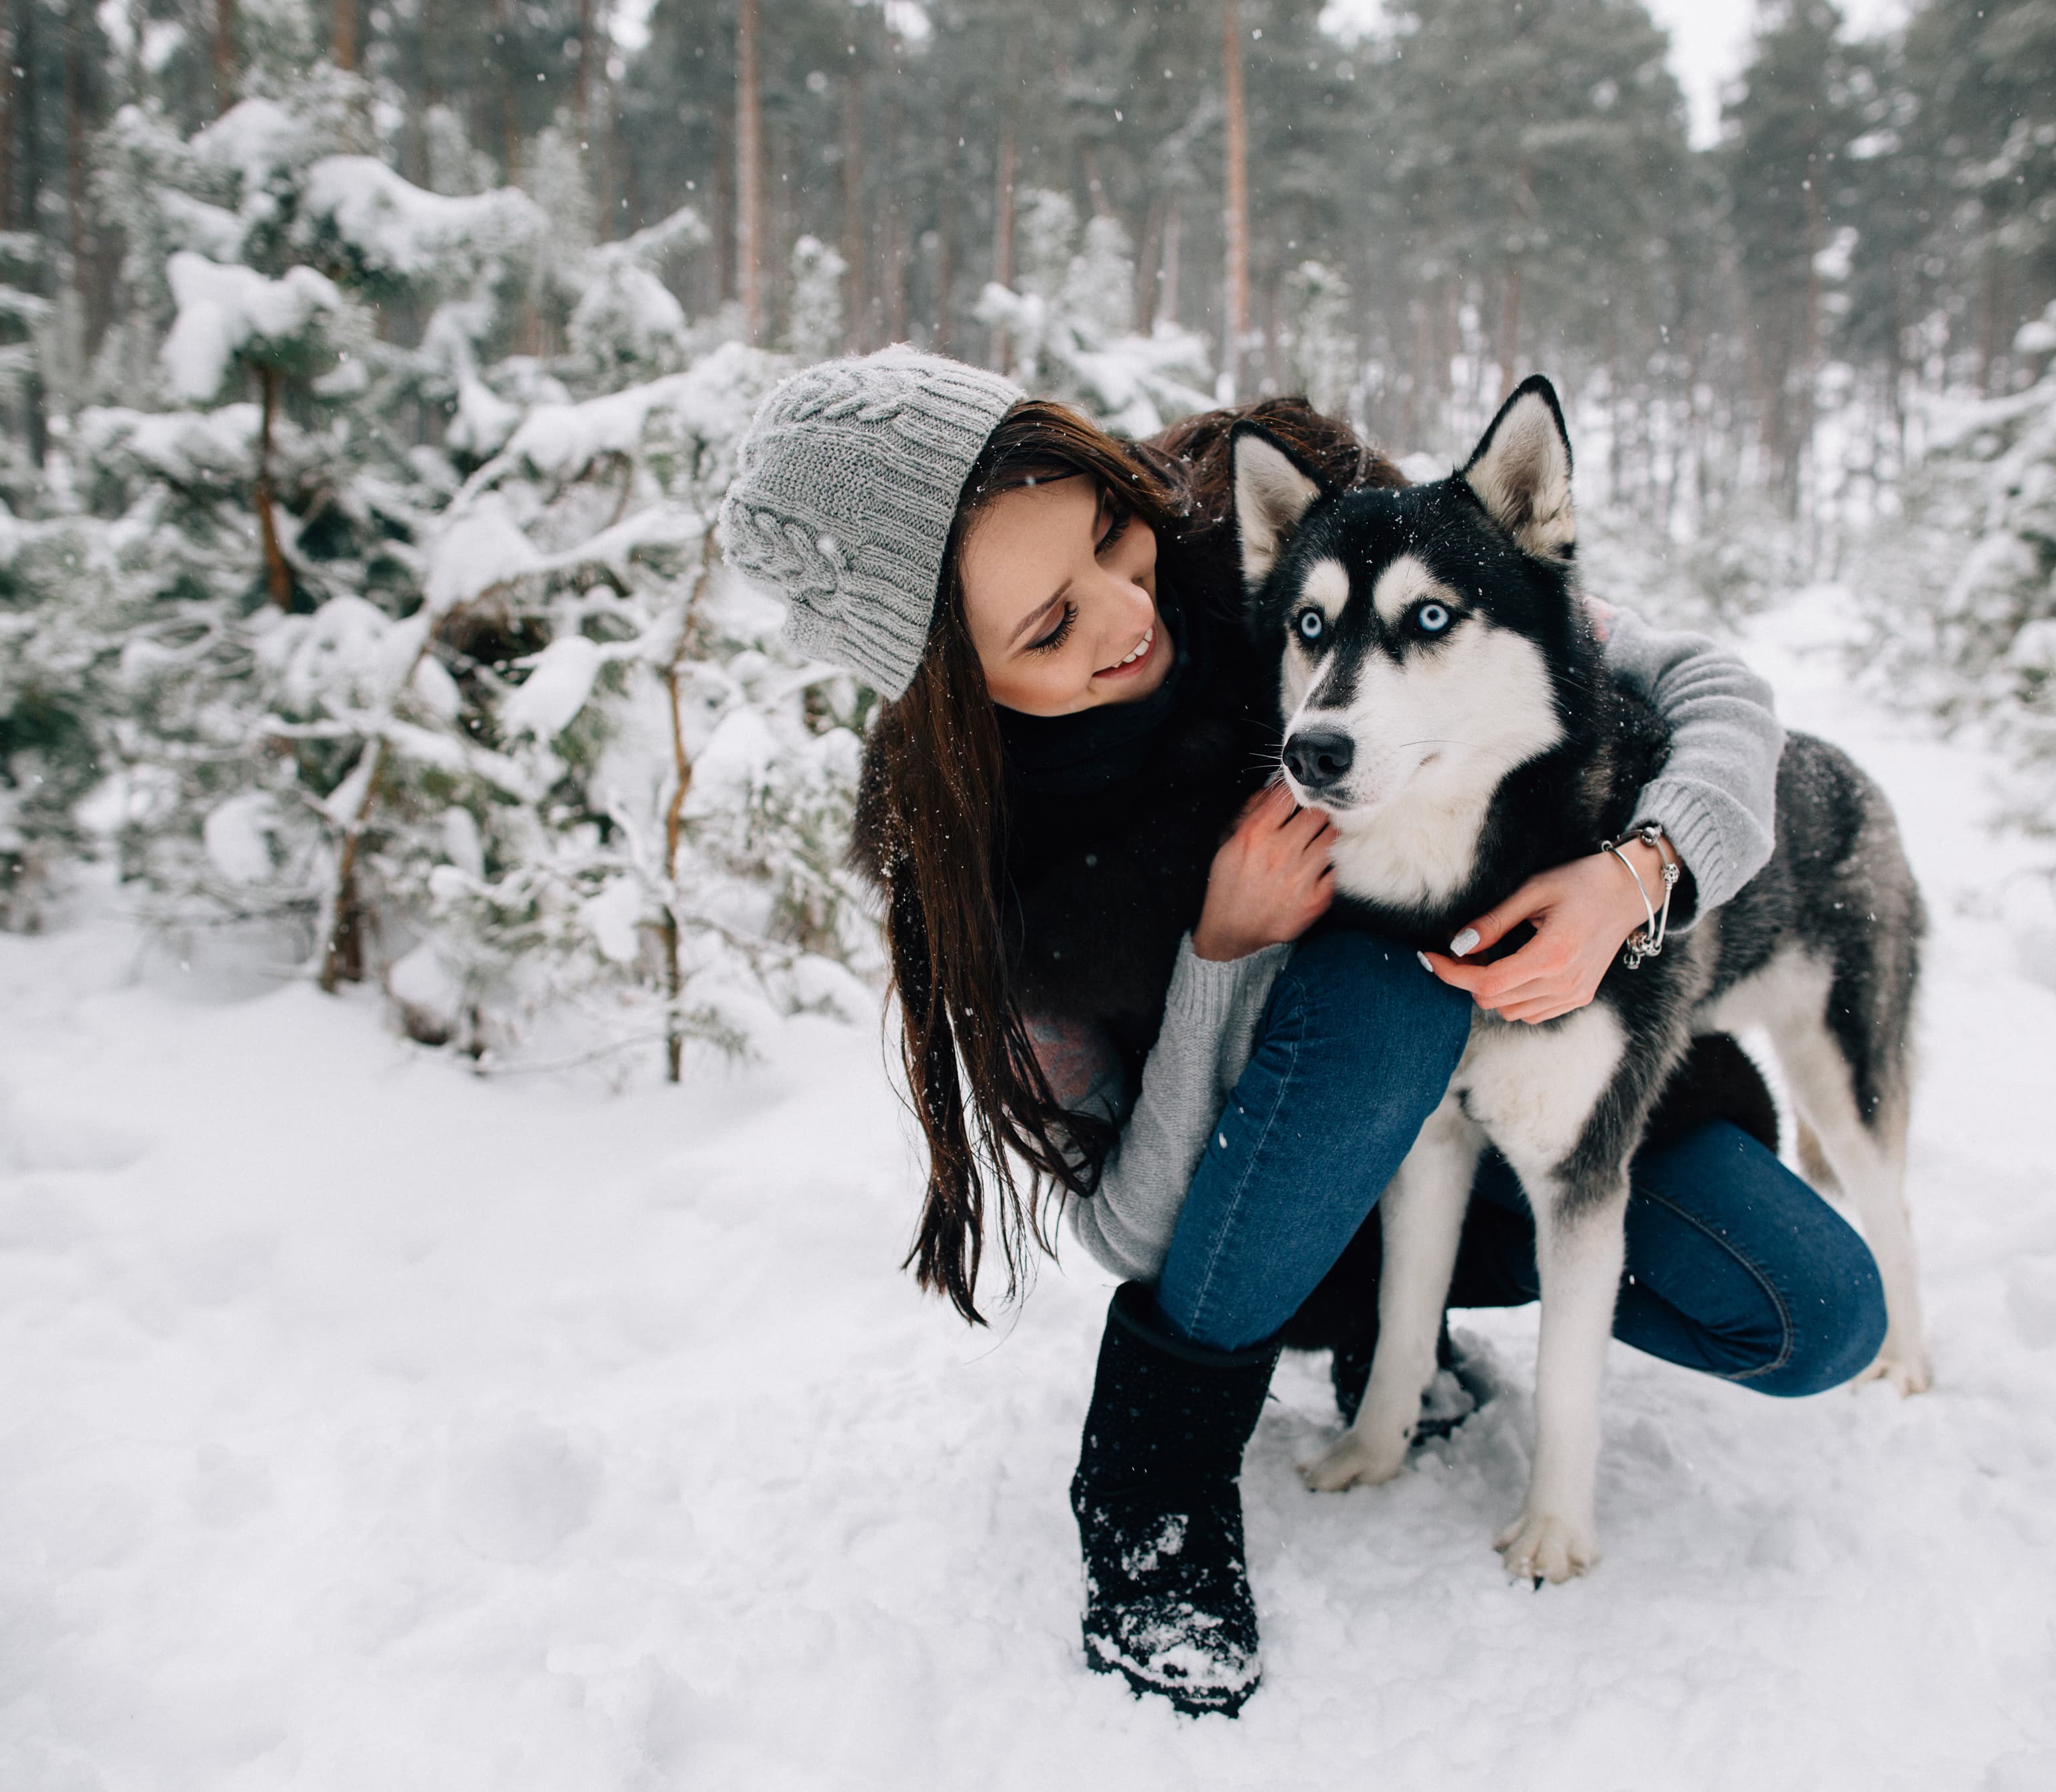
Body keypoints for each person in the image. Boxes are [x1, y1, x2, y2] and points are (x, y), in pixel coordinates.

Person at [721, 348, 1885, 1718]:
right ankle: (1152, 1475)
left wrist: (1645, 870)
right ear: (953, 682)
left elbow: (1706, 687)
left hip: (1549, 1073)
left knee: (1812, 1314)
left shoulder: (1283, 530)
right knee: (1384, 993)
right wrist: (1223, 954)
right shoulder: (988, 874)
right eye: (1046, 627)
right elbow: (1124, 1231)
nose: (1126, 610)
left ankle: (1425, 1313)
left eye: (1109, 528)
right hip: (1278, 1212)